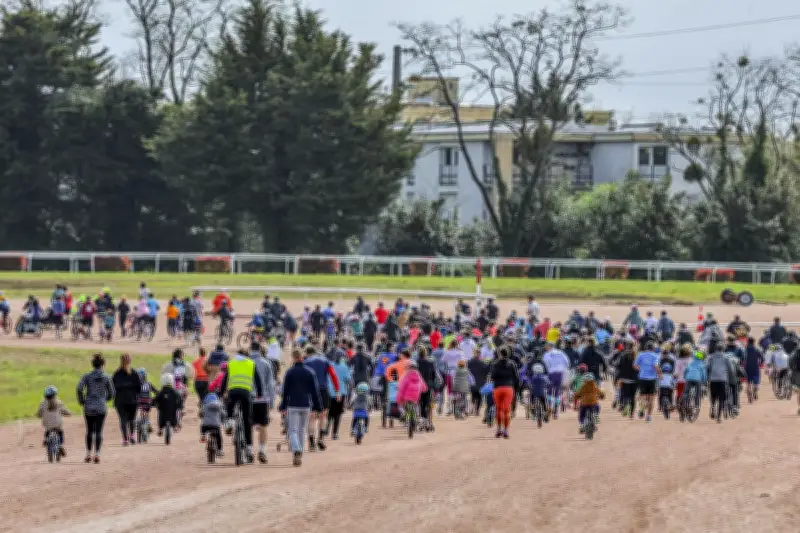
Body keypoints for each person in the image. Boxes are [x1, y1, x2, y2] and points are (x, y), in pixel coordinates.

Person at [280, 349, 323, 466]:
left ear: (293, 358)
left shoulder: (289, 372)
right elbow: (315, 392)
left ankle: (296, 449)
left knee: (293, 430)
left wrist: (283, 406)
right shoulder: (310, 372)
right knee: (302, 430)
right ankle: (300, 453)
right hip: (306, 405)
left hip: (292, 404)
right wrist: (318, 407)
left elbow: (285, 392)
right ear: (302, 357)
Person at [219, 349, 263, 462]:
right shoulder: (251, 363)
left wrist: (220, 392)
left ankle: (229, 421)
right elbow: (258, 381)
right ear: (247, 356)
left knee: (230, 406)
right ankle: (248, 448)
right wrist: (259, 394)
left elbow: (225, 380)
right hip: (246, 393)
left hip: (233, 392)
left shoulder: (231, 363)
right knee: (247, 420)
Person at [76, 354, 115, 463]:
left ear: (93, 365)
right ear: (103, 364)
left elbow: (79, 388)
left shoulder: (87, 376)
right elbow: (112, 393)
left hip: (88, 405)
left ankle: (88, 453)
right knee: (98, 431)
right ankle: (97, 454)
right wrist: (105, 399)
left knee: (89, 430)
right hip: (101, 406)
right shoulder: (107, 377)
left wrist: (82, 400)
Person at [248, 343, 276, 463]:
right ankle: (262, 450)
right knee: (263, 426)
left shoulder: (246, 362)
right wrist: (272, 401)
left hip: (248, 397)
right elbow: (271, 384)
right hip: (262, 399)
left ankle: (249, 450)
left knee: (247, 425)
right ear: (260, 350)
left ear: (250, 349)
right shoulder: (266, 363)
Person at [112, 353, 142, 446]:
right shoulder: (135, 373)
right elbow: (139, 387)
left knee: (123, 420)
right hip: (133, 400)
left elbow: (112, 387)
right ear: (130, 361)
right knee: (132, 419)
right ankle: (132, 435)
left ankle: (125, 439)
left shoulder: (116, 374)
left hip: (120, 400)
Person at [490, 346, 520, 439]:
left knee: (498, 409)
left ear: (499, 354)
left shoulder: (495, 364)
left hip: (498, 388)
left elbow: (492, 376)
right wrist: (516, 388)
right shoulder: (512, 364)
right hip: (508, 388)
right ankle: (506, 430)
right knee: (507, 410)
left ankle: (499, 429)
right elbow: (516, 378)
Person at [37, 386, 70, 458]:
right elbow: (65, 411)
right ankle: (60, 444)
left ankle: (46, 440)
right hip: (57, 425)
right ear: (55, 394)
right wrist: (68, 413)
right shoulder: (59, 403)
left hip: (47, 425)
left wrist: (39, 415)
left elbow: (39, 414)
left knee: (47, 432)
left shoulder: (42, 403)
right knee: (60, 432)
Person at [706, 342, 736, 422]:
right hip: (723, 379)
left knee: (713, 396)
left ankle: (712, 407)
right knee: (721, 399)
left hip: (713, 379)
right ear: (723, 349)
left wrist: (708, 376)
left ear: (715, 348)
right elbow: (731, 369)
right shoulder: (726, 358)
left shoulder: (711, 357)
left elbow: (707, 367)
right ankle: (718, 417)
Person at [325, 354, 351, 440]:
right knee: (338, 413)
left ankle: (326, 429)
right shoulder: (344, 367)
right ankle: (335, 433)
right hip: (340, 392)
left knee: (329, 411)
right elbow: (348, 379)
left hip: (329, 391)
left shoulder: (329, 365)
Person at [634, 341, 660, 422]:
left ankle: (642, 406)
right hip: (652, 379)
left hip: (642, 378)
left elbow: (635, 365)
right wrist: (660, 373)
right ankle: (648, 416)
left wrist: (641, 370)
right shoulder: (655, 356)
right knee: (651, 399)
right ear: (653, 348)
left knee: (643, 396)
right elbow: (656, 366)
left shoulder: (640, 354)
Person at [542, 342, 570, 417]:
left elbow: (545, 364)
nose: (545, 348)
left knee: (550, 391)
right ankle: (555, 411)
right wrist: (563, 369)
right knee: (557, 392)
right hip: (560, 373)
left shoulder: (547, 354)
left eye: (546, 346)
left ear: (549, 347)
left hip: (551, 373)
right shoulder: (561, 352)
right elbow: (567, 362)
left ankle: (550, 408)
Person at [200, 393, 224, 457]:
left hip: (206, 425)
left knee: (202, 425)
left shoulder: (205, 405)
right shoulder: (219, 405)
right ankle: (219, 450)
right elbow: (223, 414)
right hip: (216, 425)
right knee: (218, 437)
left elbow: (201, 414)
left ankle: (203, 435)